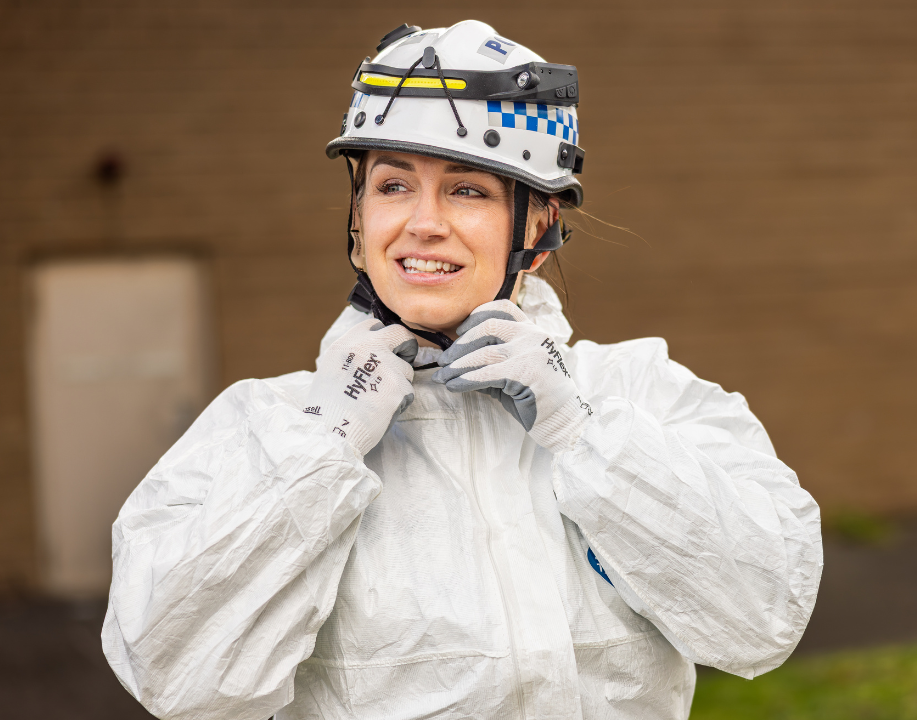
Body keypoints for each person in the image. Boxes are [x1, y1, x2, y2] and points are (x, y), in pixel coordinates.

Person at [102, 19, 822, 720]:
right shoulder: (265, 427)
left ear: (537, 225)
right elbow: (176, 682)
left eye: (468, 189)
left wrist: (586, 434)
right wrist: (318, 452)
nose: (422, 223)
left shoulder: (644, 395)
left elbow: (762, 624)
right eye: (392, 186)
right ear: (358, 218)